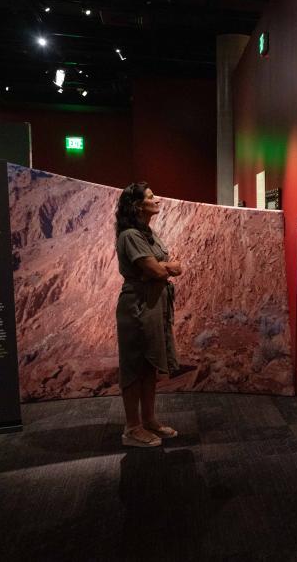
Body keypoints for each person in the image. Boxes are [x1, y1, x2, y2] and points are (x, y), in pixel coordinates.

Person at [114, 182, 183, 447]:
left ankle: (149, 420)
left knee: (148, 364)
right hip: (137, 306)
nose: (158, 199)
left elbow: (154, 268)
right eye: (151, 196)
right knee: (134, 364)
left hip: (152, 304)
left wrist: (158, 268)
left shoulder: (147, 233)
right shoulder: (130, 235)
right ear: (137, 205)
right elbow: (154, 270)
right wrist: (168, 267)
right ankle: (132, 428)